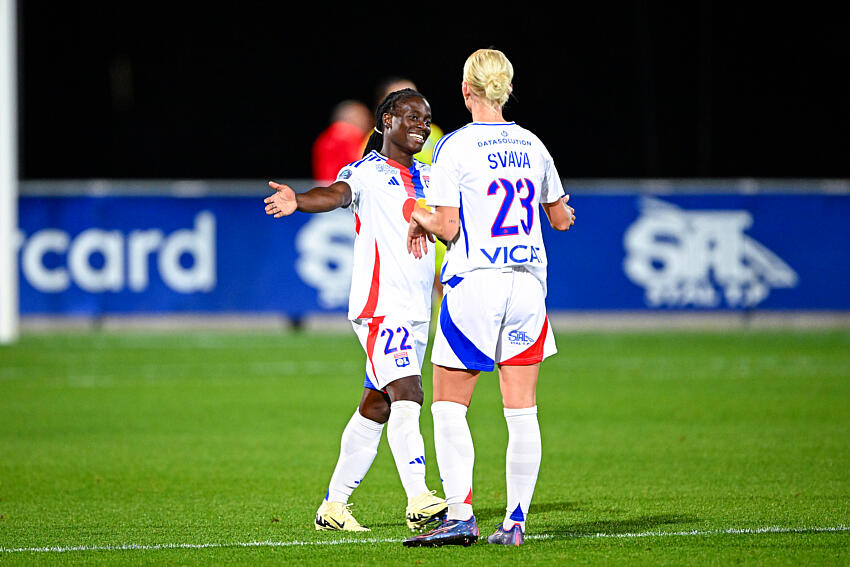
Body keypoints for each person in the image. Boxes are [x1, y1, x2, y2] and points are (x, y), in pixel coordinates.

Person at [400, 49, 576, 547]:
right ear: (506, 88)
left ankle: (460, 516)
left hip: (476, 282)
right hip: (527, 287)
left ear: (465, 90)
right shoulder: (532, 143)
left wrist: (416, 211)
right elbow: (560, 218)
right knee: (522, 411)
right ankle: (515, 524)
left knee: (448, 406)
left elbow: (448, 225)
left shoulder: (454, 146)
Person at [265, 88, 448, 533]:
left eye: (426, 119)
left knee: (377, 404)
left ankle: (334, 506)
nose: (421, 126)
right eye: (411, 118)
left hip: (416, 307)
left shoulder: (432, 176)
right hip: (381, 306)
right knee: (408, 392)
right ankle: (419, 499)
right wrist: (299, 200)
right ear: (386, 122)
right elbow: (336, 194)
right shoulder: (367, 171)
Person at [312, 99, 373, 185]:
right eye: (365, 116)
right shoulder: (349, 137)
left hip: (328, 190)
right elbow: (362, 165)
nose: (369, 121)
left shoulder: (324, 138)